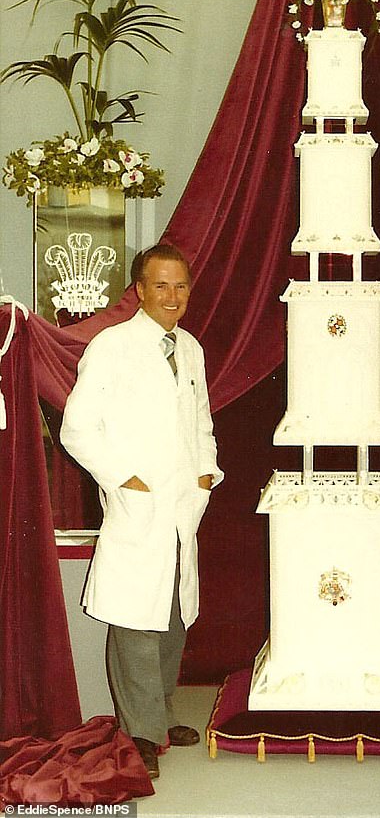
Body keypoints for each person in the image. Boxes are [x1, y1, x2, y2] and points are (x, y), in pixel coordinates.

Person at [60, 243, 223, 780]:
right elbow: (77, 428)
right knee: (135, 619)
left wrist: (205, 473)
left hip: (181, 505)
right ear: (140, 288)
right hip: (139, 503)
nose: (171, 296)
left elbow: (201, 422)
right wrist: (126, 479)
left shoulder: (193, 348)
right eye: (160, 285)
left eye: (180, 286)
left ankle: (159, 713)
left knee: (173, 613)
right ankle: (140, 731)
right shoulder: (112, 346)